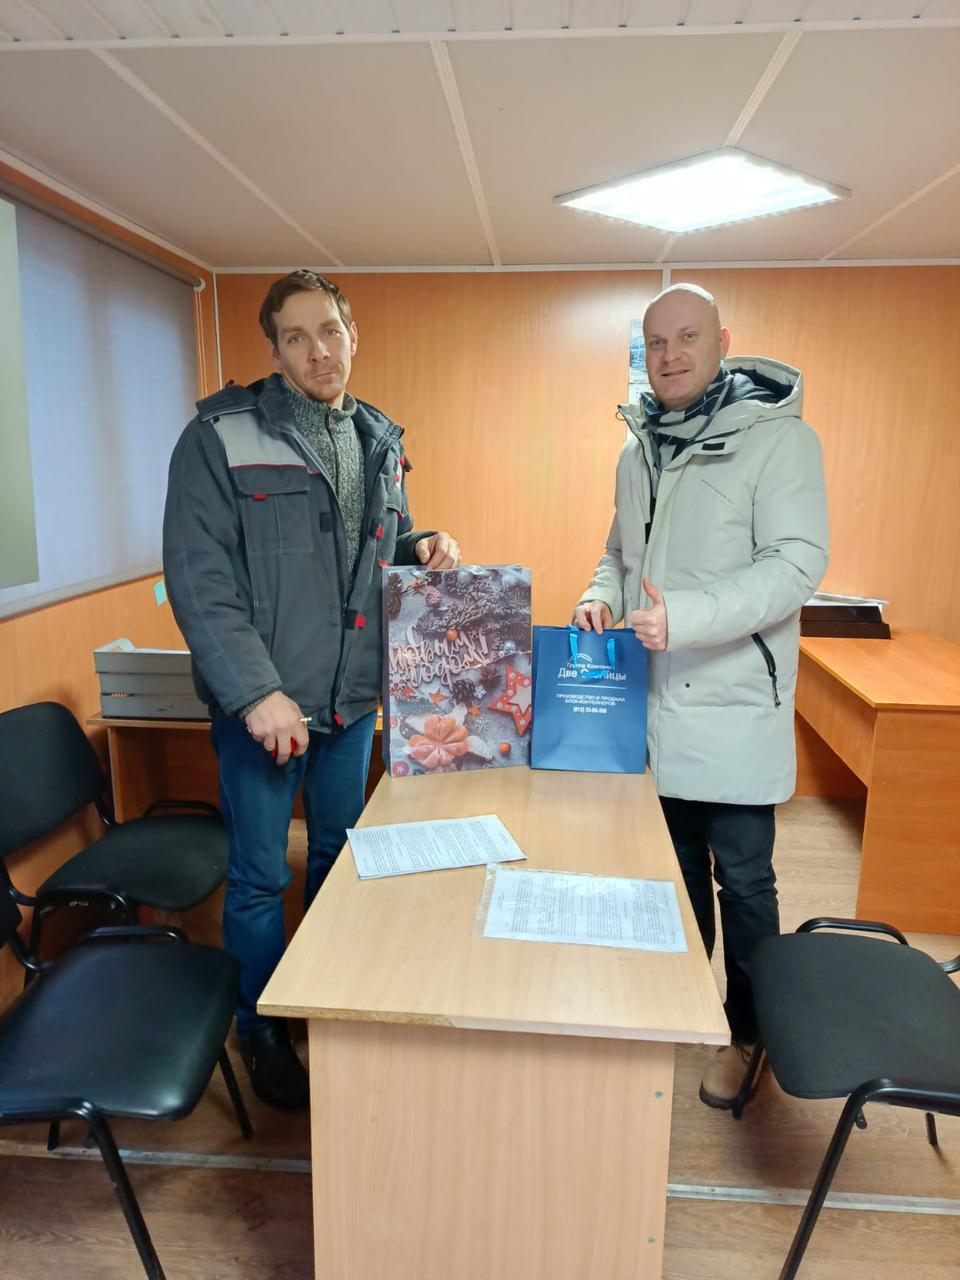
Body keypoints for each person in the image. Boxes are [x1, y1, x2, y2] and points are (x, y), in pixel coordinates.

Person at [163, 270, 460, 1111]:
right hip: (267, 710)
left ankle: (331, 1006)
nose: (317, 350)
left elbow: (374, 548)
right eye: (295, 337)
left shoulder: (378, 437)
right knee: (260, 876)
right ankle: (259, 1026)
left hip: (352, 701)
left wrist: (422, 542)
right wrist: (256, 693)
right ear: (275, 350)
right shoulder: (219, 437)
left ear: (352, 336)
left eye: (329, 331)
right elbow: (200, 580)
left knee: (337, 857)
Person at [574, 284, 828, 1108]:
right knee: (674, 871)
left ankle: (753, 1033)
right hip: (652, 706)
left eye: (687, 337)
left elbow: (795, 565)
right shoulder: (637, 450)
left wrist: (686, 616)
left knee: (743, 882)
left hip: (731, 704)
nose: (670, 355)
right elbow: (620, 552)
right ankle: (681, 1006)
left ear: (723, 341)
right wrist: (599, 595)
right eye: (655, 343)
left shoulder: (779, 440)